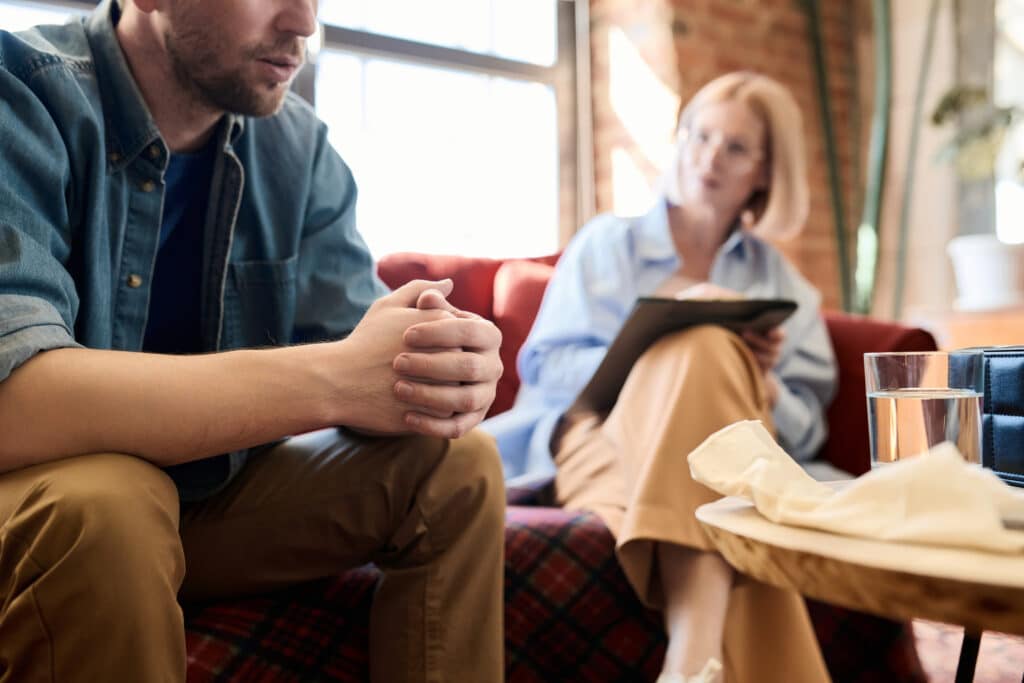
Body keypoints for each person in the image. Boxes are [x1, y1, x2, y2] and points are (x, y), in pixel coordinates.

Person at [0, 1, 506, 681]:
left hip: (202, 505)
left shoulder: (299, 149)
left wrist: (436, 374)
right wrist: (338, 376)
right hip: (47, 502)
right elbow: (14, 404)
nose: (304, 23)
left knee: (455, 463)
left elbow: (374, 372)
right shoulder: (22, 91)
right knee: (112, 501)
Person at [483, 71, 838, 683]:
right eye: (699, 136)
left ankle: (691, 662)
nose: (708, 157)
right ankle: (692, 656)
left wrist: (763, 380)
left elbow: (805, 431)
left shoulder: (785, 285)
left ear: (766, 172)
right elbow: (544, 367)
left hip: (726, 457)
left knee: (713, 375)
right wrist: (656, 347)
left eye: (735, 147)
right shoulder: (607, 244)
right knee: (700, 351)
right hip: (597, 439)